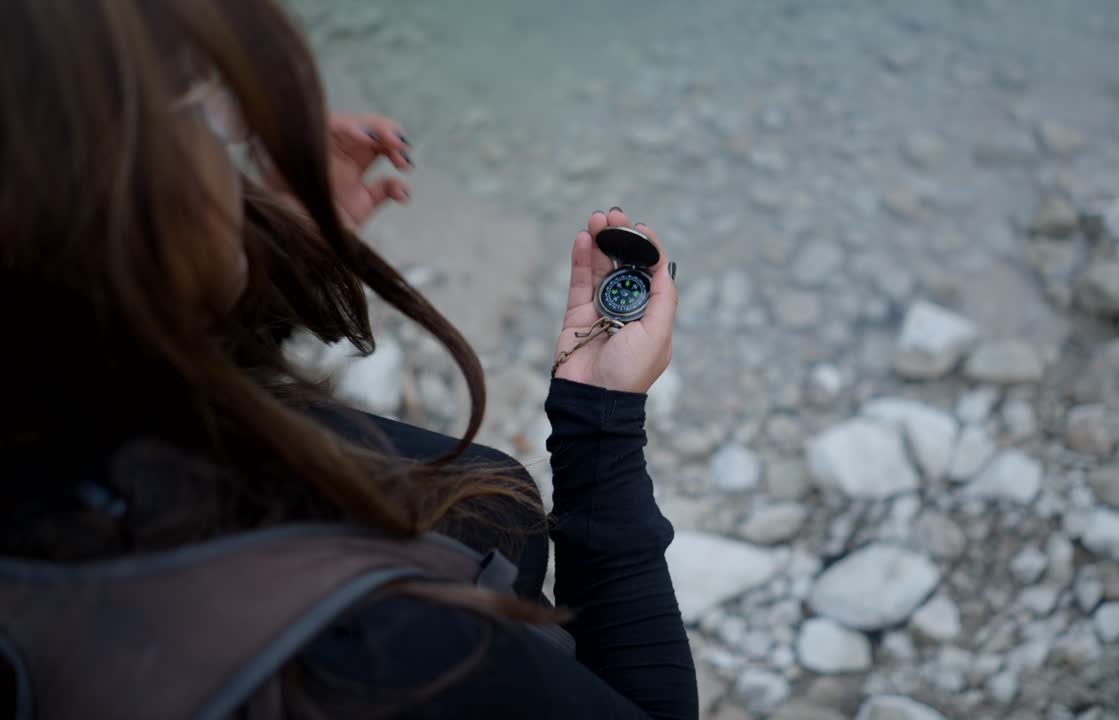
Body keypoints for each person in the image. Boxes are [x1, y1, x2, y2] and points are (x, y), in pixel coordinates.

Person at [0, 0, 694, 718]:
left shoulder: (55, 421)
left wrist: (263, 253)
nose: (230, 149)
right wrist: (600, 433)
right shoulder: (384, 656)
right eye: (202, 113)